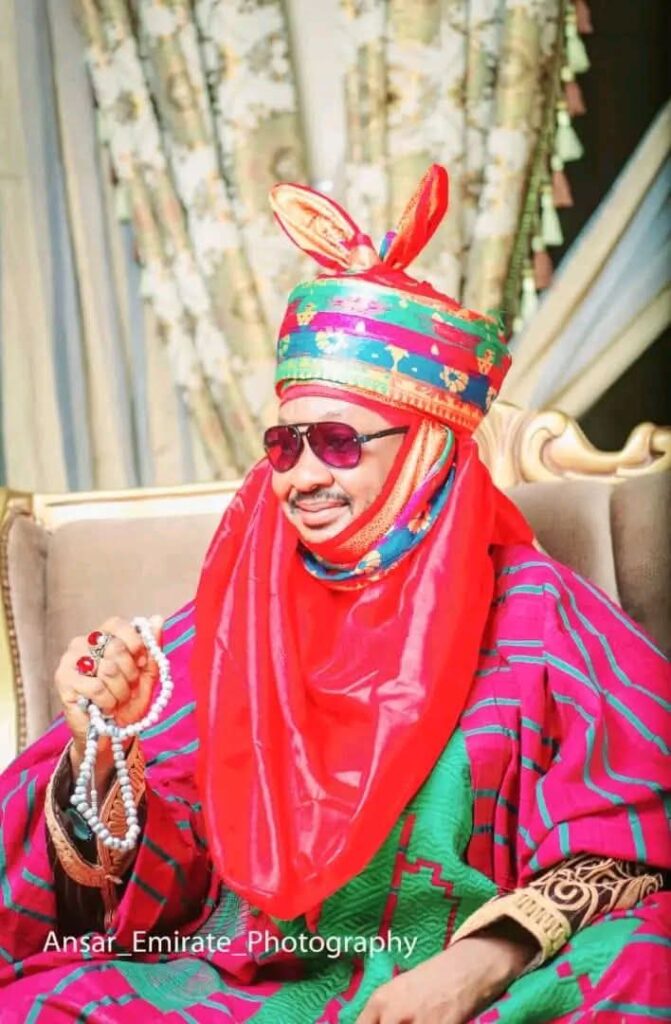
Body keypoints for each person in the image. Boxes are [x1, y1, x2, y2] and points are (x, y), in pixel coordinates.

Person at [0, 165, 669, 1024]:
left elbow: (633, 830)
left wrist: (475, 965)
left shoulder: (537, 616)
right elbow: (152, 891)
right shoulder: (233, 623)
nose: (302, 476)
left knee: (646, 960)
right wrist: (104, 748)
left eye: (338, 443)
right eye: (284, 446)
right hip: (245, 982)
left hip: (473, 988)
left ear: (426, 447)